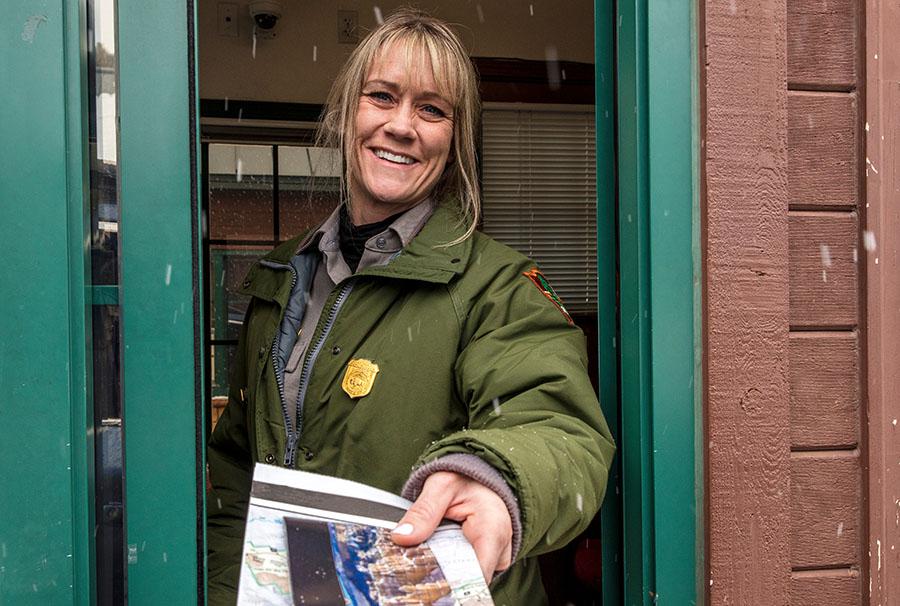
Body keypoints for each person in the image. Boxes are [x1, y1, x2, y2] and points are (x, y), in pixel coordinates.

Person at [206, 8, 615, 605]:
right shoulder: (281, 275)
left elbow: (562, 433)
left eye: (432, 109)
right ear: (349, 114)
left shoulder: (498, 286)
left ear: (454, 141)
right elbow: (237, 472)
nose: (401, 126)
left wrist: (497, 482)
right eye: (382, 97)